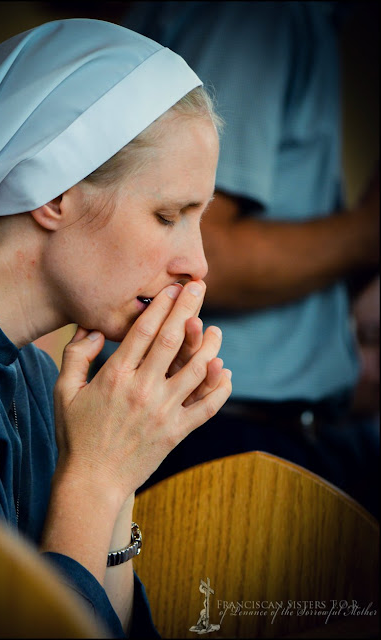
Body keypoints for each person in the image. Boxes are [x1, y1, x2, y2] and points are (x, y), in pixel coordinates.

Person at [0, 18, 232, 637]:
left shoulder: (40, 373)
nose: (197, 265)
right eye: (168, 214)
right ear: (54, 194)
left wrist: (119, 469)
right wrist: (94, 477)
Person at [96, 1, 379, 514]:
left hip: (288, 432)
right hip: (224, 439)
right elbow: (211, 260)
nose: (193, 263)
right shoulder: (256, 17)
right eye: (167, 216)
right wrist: (368, 231)